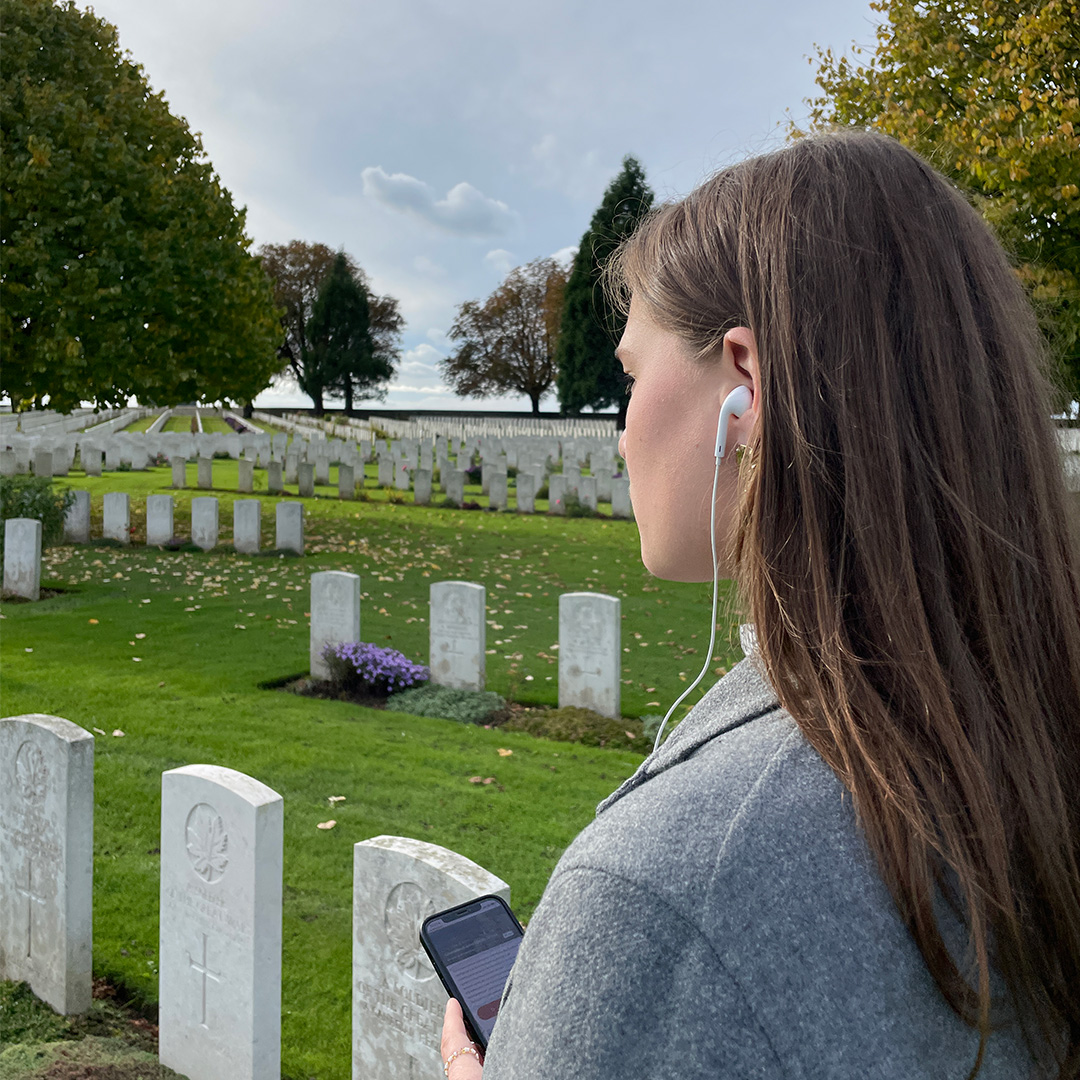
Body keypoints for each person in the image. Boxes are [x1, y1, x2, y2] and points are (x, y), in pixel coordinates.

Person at [440, 130, 1080, 1079]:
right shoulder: (1028, 730)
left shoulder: (667, 888)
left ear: (746, 383)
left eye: (629, 374)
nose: (620, 437)